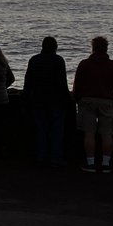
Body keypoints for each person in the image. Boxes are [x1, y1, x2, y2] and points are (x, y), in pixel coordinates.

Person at [71, 36, 113, 173]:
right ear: (106, 48)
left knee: (89, 133)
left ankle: (90, 163)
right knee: (107, 134)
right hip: (107, 101)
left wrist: (78, 99)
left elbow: (77, 86)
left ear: (93, 48)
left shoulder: (84, 64)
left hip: (87, 100)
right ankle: (106, 163)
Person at [23, 37, 70, 168]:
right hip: (56, 101)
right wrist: (67, 99)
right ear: (55, 47)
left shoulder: (34, 60)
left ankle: (40, 157)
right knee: (56, 131)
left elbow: (28, 82)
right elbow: (62, 83)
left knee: (40, 129)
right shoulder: (59, 60)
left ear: (42, 47)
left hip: (38, 100)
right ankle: (56, 157)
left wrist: (26, 98)